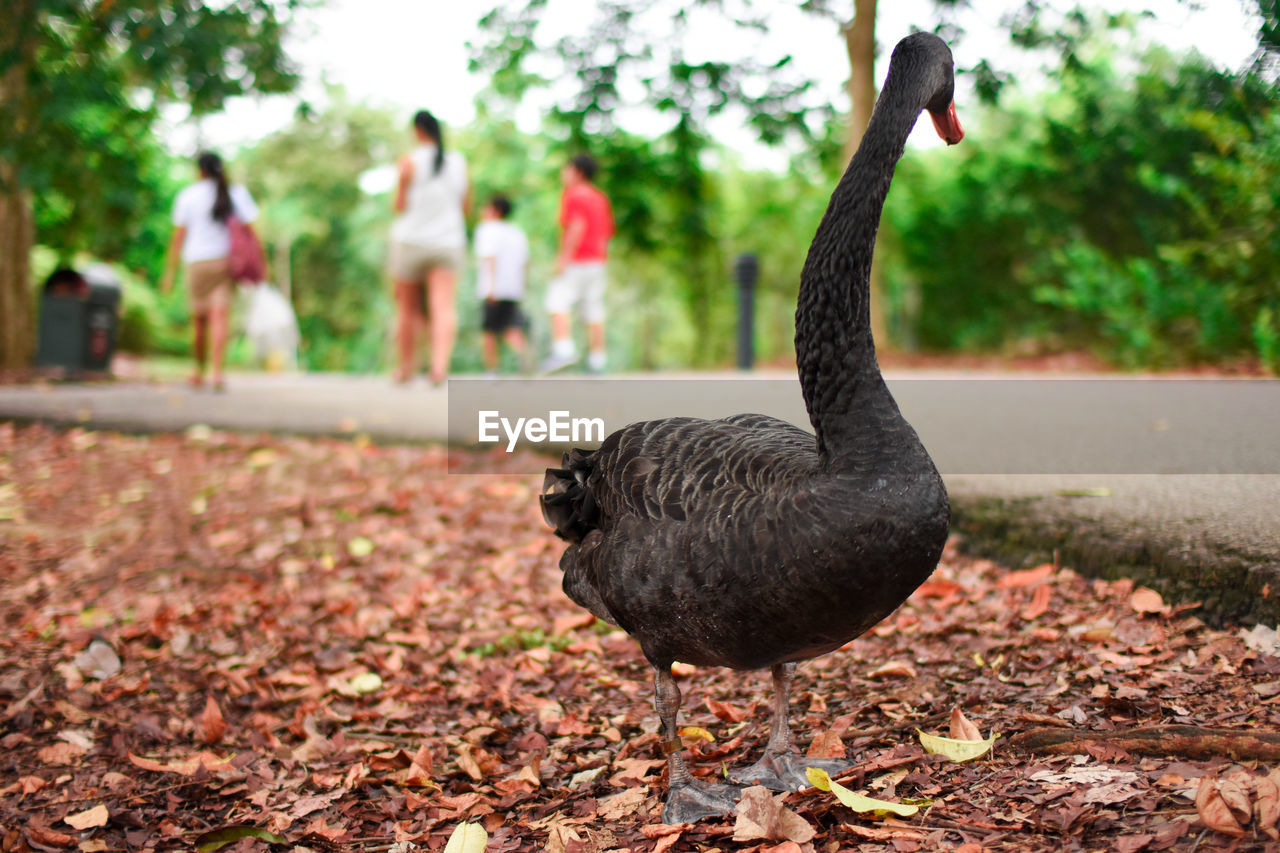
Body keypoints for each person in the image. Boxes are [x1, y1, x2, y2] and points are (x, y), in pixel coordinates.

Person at [162, 151, 260, 391]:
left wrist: (170, 272)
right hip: (224, 262)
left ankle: (198, 371)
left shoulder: (188, 196)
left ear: (200, 170)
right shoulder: (236, 193)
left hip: (196, 263)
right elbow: (253, 232)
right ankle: (217, 373)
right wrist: (259, 263)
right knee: (220, 317)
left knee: (199, 320)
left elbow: (178, 238)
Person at [389, 110, 469, 385]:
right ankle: (438, 368)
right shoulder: (459, 162)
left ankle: (406, 368)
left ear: (418, 131)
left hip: (411, 240)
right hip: (448, 241)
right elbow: (465, 206)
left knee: (407, 308)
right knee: (443, 306)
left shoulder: (409, 162)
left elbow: (399, 206)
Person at [542, 153, 614, 373]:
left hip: (577, 259)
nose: (564, 174)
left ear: (578, 172)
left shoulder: (573, 196)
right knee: (594, 309)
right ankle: (597, 360)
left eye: (567, 169)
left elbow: (576, 226)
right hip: (597, 261)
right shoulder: (600, 198)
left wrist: (563, 259)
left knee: (557, 301)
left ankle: (563, 350)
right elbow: (606, 233)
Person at [474, 193, 530, 375]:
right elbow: (524, 262)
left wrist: (490, 287)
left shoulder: (487, 229)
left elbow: (490, 257)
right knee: (511, 328)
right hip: (513, 289)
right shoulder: (517, 233)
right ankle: (525, 356)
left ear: (495, 210)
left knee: (488, 331)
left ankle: (491, 370)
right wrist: (522, 288)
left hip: (493, 289)